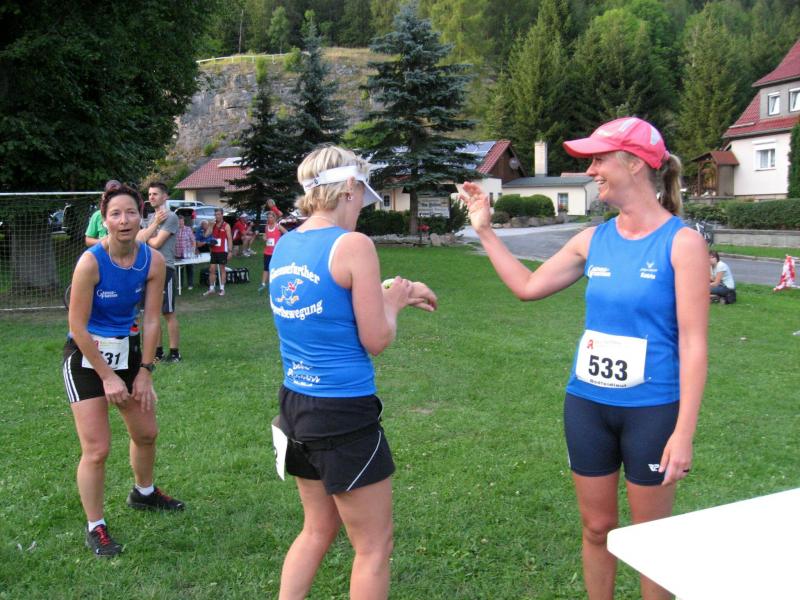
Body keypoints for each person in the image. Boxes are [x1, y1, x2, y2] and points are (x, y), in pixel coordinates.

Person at [460, 117, 708, 600]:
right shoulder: (593, 239)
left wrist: (683, 433)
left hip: (652, 411)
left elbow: (694, 343)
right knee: (597, 528)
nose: (591, 170)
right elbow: (527, 287)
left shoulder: (682, 243)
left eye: (598, 159)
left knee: (652, 542)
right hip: (587, 406)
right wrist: (485, 232)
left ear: (634, 163)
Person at [269, 145, 438, 600]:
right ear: (348, 187)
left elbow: (326, 305)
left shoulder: (285, 244)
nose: (363, 204)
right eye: (363, 192)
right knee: (373, 547)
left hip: (296, 404)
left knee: (316, 530)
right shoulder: (354, 245)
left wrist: (389, 293)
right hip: (342, 411)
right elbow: (376, 338)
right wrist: (394, 303)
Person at [62, 183, 184, 558]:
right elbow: (77, 327)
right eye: (115, 214)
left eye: (131, 212)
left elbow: (151, 320)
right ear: (105, 220)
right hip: (86, 358)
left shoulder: (153, 261)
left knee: (146, 433)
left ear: (141, 216)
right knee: (97, 449)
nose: (124, 220)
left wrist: (145, 370)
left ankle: (143, 493)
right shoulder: (90, 262)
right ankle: (95, 525)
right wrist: (107, 377)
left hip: (128, 354)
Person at [137, 182, 181, 363]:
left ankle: (175, 353)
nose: (151, 197)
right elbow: (138, 239)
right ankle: (158, 352)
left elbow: (155, 243)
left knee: (167, 312)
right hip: (148, 269)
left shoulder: (171, 217)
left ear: (165, 196)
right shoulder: (150, 219)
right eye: (149, 194)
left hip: (165, 268)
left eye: (155, 194)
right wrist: (151, 228)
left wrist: (147, 235)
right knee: (151, 312)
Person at [204, 208, 232, 296]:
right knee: (212, 269)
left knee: (222, 269)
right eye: (215, 215)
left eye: (218, 214)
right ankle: (211, 288)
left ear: (222, 215)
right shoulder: (213, 224)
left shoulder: (226, 225)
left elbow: (229, 238)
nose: (217, 216)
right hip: (214, 250)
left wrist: (230, 251)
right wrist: (210, 226)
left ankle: (222, 288)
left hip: (222, 250)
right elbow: (206, 235)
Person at [257, 211, 287, 294]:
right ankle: (263, 284)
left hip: (276, 252)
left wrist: (281, 242)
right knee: (266, 268)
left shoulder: (278, 226)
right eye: (268, 217)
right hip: (267, 251)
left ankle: (275, 283)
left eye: (271, 217)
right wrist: (264, 237)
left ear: (275, 218)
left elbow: (287, 234)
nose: (269, 219)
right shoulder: (266, 227)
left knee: (276, 268)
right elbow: (266, 236)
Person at [84, 180, 119, 247]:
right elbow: (88, 240)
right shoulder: (97, 215)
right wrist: (102, 242)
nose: (114, 198)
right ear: (104, 196)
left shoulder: (128, 214)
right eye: (110, 194)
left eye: (117, 194)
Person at [175, 214, 197, 290]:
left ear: (184, 221)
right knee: (179, 270)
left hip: (187, 253)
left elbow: (193, 240)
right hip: (178, 253)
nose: (180, 223)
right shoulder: (175, 230)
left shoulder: (188, 229)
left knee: (189, 268)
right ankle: (180, 285)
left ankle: (190, 284)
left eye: (182, 221)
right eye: (179, 222)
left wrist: (193, 250)